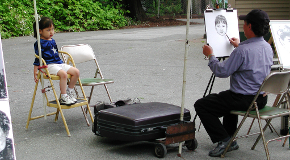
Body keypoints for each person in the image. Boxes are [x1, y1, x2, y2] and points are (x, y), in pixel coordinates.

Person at [194, 9, 273, 157]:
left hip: (244, 100)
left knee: (202, 105)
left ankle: (224, 139)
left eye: (244, 23)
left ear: (249, 27)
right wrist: (239, 46)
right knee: (226, 98)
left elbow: (221, 72)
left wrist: (211, 55)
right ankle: (229, 138)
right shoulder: (267, 47)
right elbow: (251, 57)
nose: (242, 26)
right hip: (260, 99)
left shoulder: (242, 51)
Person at [33, 17, 79, 105]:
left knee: (76, 72)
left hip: (58, 63)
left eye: (52, 29)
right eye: (48, 30)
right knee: (63, 74)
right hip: (48, 65)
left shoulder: (52, 40)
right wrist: (35, 70)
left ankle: (70, 90)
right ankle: (63, 96)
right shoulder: (39, 43)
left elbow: (56, 52)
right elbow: (38, 57)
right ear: (40, 31)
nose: (51, 32)